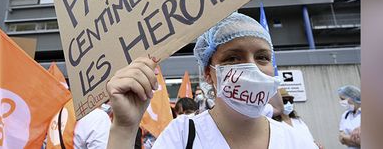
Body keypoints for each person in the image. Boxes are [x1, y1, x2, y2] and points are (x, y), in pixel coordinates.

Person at [106, 12, 318, 149]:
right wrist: (124, 128)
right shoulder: (182, 135)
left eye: (262, 57)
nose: (252, 67)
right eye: (233, 58)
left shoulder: (296, 141)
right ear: (208, 72)